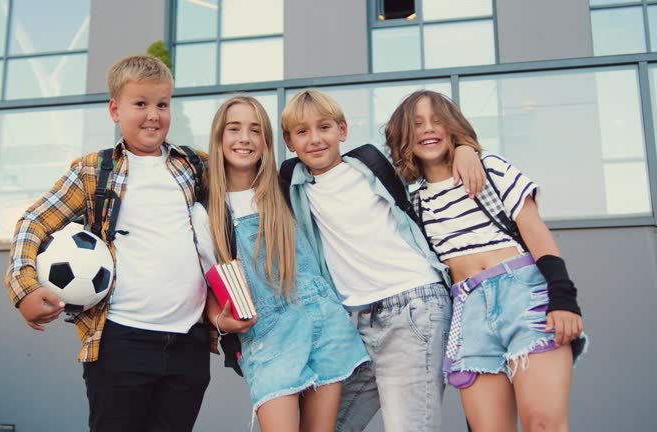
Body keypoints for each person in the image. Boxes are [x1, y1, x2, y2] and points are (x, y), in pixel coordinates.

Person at [4, 54, 212, 432]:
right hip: (120, 340)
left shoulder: (194, 166)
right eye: (141, 104)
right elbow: (33, 223)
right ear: (115, 109)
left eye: (162, 104)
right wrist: (24, 289)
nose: (153, 115)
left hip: (189, 344)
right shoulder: (93, 171)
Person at [281, 88, 485, 432]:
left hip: (414, 307)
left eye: (325, 127)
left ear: (342, 130)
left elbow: (428, 151)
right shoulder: (292, 183)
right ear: (289, 141)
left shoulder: (372, 164)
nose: (315, 139)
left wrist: (466, 148)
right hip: (355, 326)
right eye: (302, 132)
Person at [386, 90, 588, 432]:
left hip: (524, 296)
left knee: (543, 423)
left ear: (453, 127)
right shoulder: (412, 202)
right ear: (404, 136)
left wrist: (563, 296)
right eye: (416, 124)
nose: (427, 130)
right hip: (467, 312)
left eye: (437, 121)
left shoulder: (490, 168)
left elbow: (535, 231)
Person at [193, 95, 369, 432]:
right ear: (218, 139)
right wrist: (223, 322)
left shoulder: (289, 188)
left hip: (325, 325)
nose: (244, 138)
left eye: (255, 130)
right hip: (268, 337)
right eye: (234, 129)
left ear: (267, 142)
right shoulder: (207, 213)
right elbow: (210, 284)